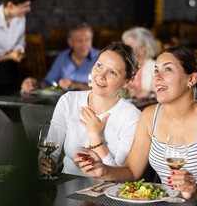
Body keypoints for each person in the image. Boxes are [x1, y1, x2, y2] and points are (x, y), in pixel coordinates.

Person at [75, 46, 197, 200]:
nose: (157, 77)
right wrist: (103, 170)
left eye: (168, 69)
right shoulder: (150, 115)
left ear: (192, 79)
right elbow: (132, 172)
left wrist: (195, 190)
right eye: (156, 70)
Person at [38, 42, 142, 176]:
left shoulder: (132, 117)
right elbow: (51, 152)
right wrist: (47, 164)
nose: (100, 76)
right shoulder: (68, 100)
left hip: (106, 192)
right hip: (66, 185)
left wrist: (94, 137)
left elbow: (119, 176)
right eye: (99, 66)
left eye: (112, 72)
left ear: (128, 81)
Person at [21, 22, 99, 92]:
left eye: (87, 40)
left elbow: (105, 90)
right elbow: (48, 83)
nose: (84, 45)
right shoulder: (63, 56)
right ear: (70, 42)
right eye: (79, 41)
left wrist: (75, 84)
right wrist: (34, 82)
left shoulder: (100, 58)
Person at [122, 27, 158, 98]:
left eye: (129, 46)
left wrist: (149, 94)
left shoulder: (155, 67)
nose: (124, 50)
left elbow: (169, 94)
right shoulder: (123, 65)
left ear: (142, 49)